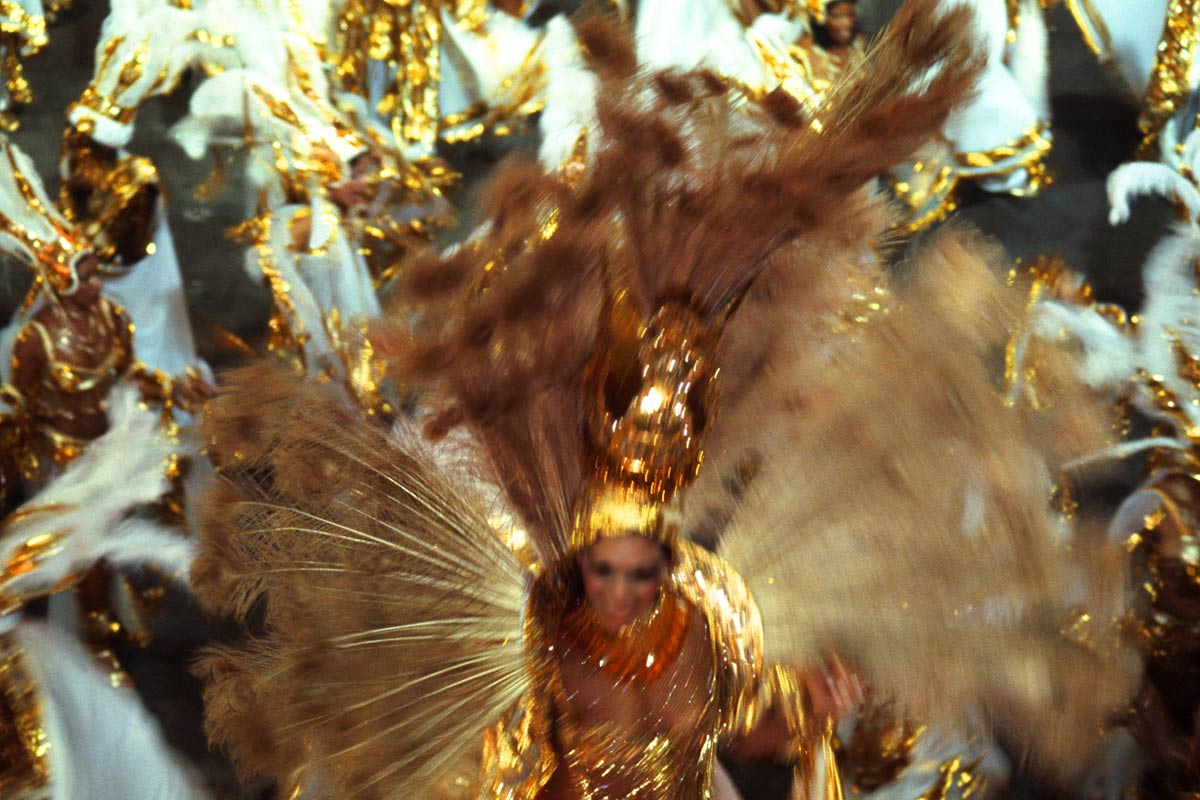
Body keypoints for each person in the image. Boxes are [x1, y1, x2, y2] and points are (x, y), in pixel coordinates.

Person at [192, 6, 1133, 800]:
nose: (619, 595)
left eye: (638, 577)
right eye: (606, 574)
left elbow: (748, 734)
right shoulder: (537, 635)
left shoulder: (717, 619)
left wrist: (812, 708)